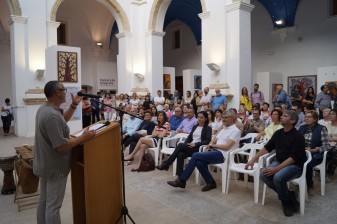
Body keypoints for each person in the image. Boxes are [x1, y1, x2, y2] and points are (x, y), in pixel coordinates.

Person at [33, 81, 96, 224]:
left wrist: (73, 105)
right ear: (57, 93)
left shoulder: (45, 109)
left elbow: (62, 121)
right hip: (55, 167)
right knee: (53, 206)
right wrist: (82, 138)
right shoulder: (51, 115)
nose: (65, 92)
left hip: (45, 163)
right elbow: (61, 146)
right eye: (63, 90)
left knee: (43, 201)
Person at [245, 110, 306, 217]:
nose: (281, 117)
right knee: (263, 174)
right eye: (282, 115)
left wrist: (276, 168)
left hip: (295, 165)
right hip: (280, 161)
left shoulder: (298, 136)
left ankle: (286, 203)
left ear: (292, 121)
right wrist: (253, 159)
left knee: (277, 177)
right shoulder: (278, 133)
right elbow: (267, 148)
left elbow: (293, 158)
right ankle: (289, 195)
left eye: (285, 116)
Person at [166, 110, 241, 192]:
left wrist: (213, 146)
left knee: (196, 155)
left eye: (226, 117)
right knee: (199, 162)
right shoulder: (223, 129)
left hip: (225, 155)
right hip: (216, 152)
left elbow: (227, 147)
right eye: (223, 118)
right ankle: (211, 182)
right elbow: (214, 139)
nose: (224, 119)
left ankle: (182, 180)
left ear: (232, 118)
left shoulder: (235, 131)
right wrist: (210, 145)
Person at [156, 111, 212, 177]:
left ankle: (167, 164)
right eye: (198, 117)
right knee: (180, 154)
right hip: (191, 147)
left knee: (180, 145)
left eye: (201, 117)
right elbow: (189, 138)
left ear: (205, 119)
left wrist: (196, 144)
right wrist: (185, 145)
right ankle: (180, 177)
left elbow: (207, 141)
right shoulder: (195, 127)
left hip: (199, 149)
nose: (199, 119)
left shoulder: (208, 128)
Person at [298, 110, 329, 196]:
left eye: (309, 117)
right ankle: (299, 181)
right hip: (303, 153)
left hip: (315, 154)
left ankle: (309, 184)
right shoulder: (302, 128)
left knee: (307, 164)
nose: (306, 118)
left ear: (315, 119)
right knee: (293, 161)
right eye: (306, 117)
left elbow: (326, 146)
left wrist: (314, 150)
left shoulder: (321, 128)